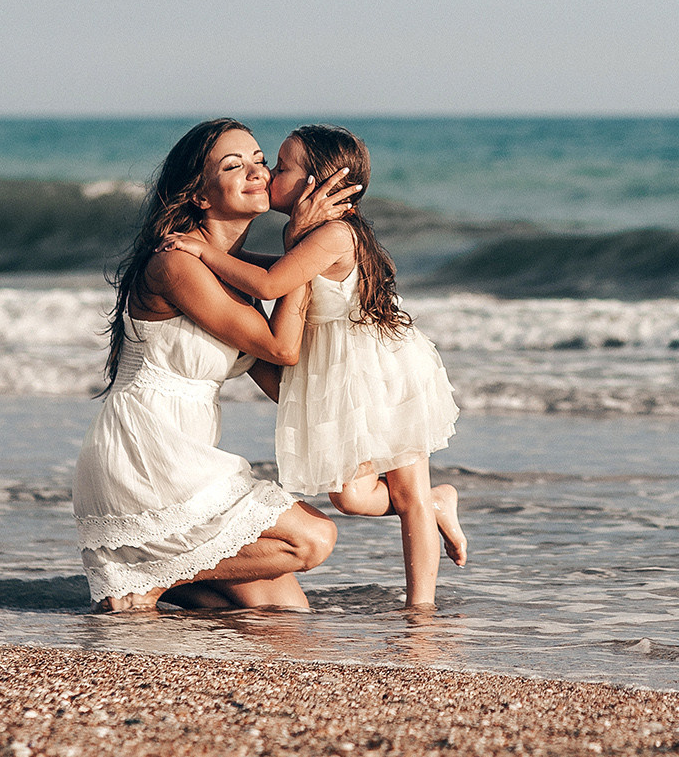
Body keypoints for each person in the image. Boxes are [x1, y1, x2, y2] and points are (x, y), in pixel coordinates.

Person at [174, 124, 465, 609]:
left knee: (408, 493)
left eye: (281, 167)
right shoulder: (313, 236)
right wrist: (233, 253)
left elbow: (270, 285)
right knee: (350, 496)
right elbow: (276, 268)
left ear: (316, 184)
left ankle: (422, 610)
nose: (267, 173)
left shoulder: (332, 234)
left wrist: (206, 252)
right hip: (340, 370)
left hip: (383, 369)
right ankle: (440, 501)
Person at [72, 118, 353, 613]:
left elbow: (285, 385)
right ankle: (146, 578)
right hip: (144, 450)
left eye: (261, 161)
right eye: (233, 165)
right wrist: (303, 246)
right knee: (311, 540)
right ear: (200, 195)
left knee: (283, 614)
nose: (257, 173)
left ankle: (146, 587)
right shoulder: (176, 263)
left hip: (187, 453)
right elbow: (280, 347)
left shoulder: (239, 276)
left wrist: (383, 445)